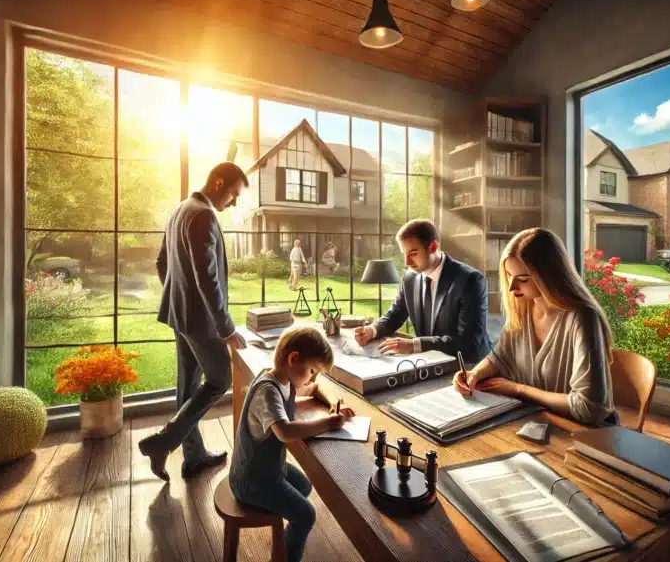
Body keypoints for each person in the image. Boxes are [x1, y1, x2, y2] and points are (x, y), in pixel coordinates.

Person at [140, 162, 250, 483]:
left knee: (188, 385)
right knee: (219, 381)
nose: (233, 203)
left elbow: (162, 263)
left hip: (180, 314)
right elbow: (208, 278)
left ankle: (193, 456)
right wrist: (226, 327)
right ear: (218, 183)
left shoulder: (180, 210)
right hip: (200, 320)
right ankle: (164, 441)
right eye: (233, 194)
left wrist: (178, 296)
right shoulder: (202, 215)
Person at [452, 228, 617, 426]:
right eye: (508, 275)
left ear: (549, 276)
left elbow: (589, 408)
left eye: (522, 279)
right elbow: (499, 358)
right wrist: (475, 374)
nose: (512, 287)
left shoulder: (583, 318)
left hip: (584, 434)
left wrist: (518, 390)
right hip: (538, 420)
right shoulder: (524, 307)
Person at [230, 327, 355, 562]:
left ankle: (284, 538)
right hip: (251, 480)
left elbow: (315, 388)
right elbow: (285, 432)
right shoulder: (268, 391)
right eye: (312, 370)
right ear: (293, 359)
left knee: (305, 487)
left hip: (269, 468)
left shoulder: (283, 380)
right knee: (306, 515)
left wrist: (332, 404)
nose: (314, 377)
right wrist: (329, 423)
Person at [353, 219, 491, 363]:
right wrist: (372, 330)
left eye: (413, 253)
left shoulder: (470, 280)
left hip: (468, 367)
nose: (407, 262)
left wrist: (414, 345)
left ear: (433, 247)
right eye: (404, 254)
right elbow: (395, 315)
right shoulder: (410, 277)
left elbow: (468, 344)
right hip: (428, 363)